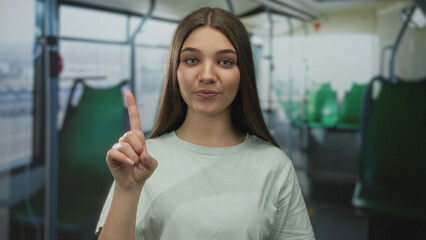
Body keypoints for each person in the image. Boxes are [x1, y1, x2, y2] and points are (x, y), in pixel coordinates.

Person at [96, 7, 314, 240]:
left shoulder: (275, 165)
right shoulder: (142, 160)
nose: (207, 75)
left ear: (244, 76)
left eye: (225, 62)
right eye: (191, 60)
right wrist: (126, 190)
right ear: (175, 71)